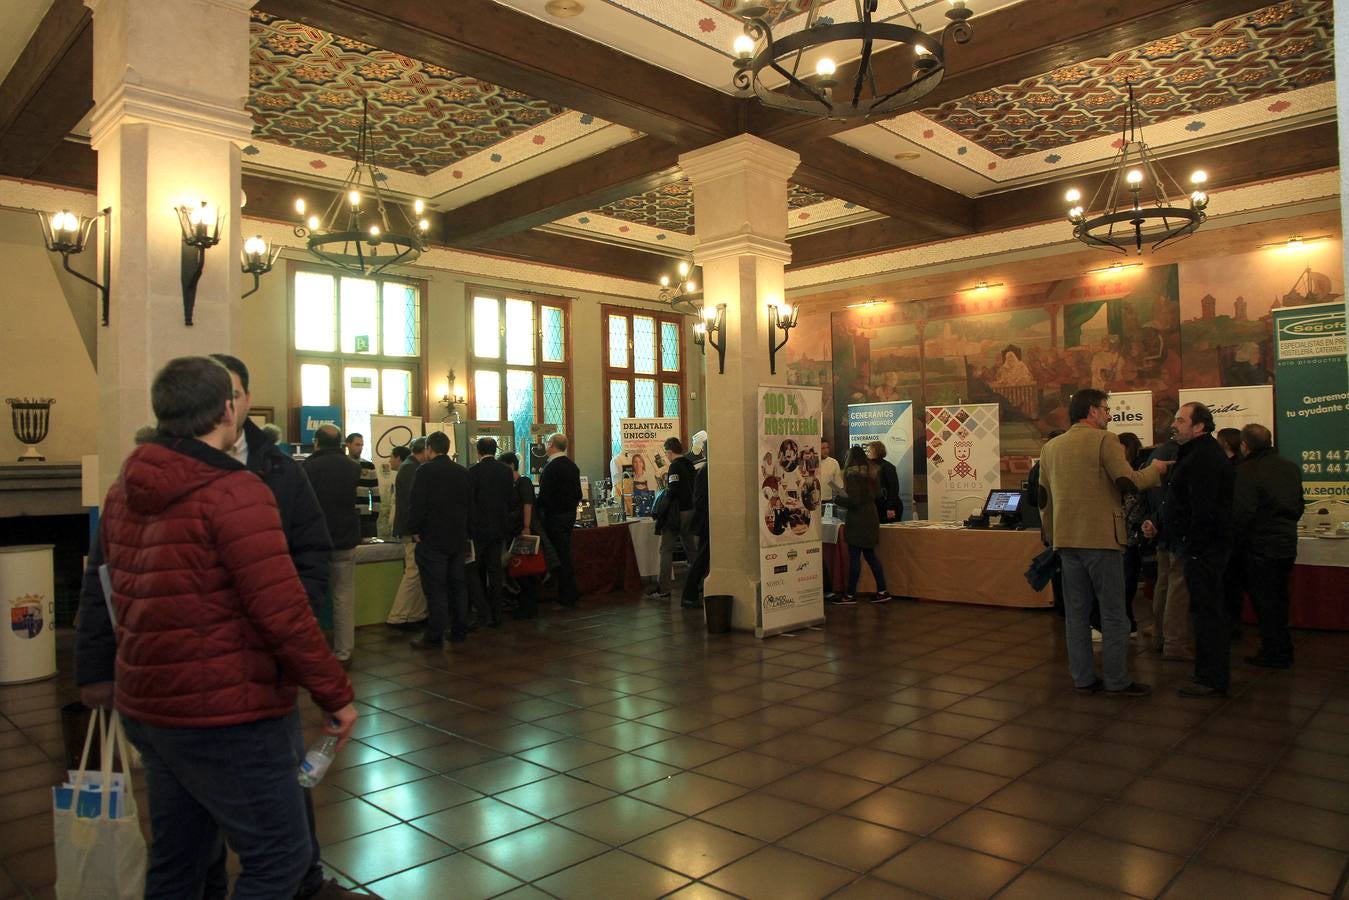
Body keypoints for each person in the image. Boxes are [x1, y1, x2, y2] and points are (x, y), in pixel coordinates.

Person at [75, 356, 357, 900]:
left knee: (178, 861)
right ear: (229, 410)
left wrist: (94, 670)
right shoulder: (235, 491)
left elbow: (101, 587)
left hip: (150, 703)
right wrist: (334, 694)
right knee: (279, 860)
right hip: (229, 708)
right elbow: (282, 611)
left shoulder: (121, 490)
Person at [208, 354, 338, 899]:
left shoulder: (279, 470)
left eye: (230, 394)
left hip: (262, 663)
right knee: (189, 829)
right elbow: (110, 572)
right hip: (180, 679)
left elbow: (310, 554)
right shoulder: (159, 469)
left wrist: (289, 627)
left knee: (284, 795)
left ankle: (305, 879)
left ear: (242, 398)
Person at [1038, 389, 1166, 696]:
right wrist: (1155, 470)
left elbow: (1044, 499)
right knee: (1113, 614)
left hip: (1067, 542)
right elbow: (1127, 481)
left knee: (1077, 615)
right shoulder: (1105, 440)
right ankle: (1117, 680)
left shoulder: (1051, 447)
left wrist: (1055, 536)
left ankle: (1082, 678)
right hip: (1102, 541)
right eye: (1106, 409)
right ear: (1092, 411)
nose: (1109, 415)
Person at [1160, 402, 1236, 698]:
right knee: (1203, 612)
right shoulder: (1197, 454)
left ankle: (1211, 677)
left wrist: (1192, 544)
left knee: (1208, 613)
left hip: (1204, 549)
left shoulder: (1203, 458)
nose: (1174, 425)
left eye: (1180, 420)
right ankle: (1208, 671)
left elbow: (1203, 509)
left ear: (1199, 426)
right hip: (1201, 547)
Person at [1232, 423, 1302, 669]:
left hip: (1259, 545)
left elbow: (1242, 513)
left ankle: (1275, 651)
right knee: (1280, 597)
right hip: (1286, 542)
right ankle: (1282, 647)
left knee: (1265, 601)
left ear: (1245, 445)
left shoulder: (1247, 471)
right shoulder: (1290, 468)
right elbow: (1297, 507)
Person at [408, 430, 473, 648]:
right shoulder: (463, 472)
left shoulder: (424, 471)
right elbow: (469, 505)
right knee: (458, 585)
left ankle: (435, 634)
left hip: (433, 538)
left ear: (429, 448)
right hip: (457, 537)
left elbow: (417, 504)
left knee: (435, 588)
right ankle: (459, 630)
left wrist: (414, 530)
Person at [303, 424, 362, 666]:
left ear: (317, 442)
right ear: (341, 443)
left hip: (315, 540)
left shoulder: (308, 467)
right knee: (343, 596)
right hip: (346, 538)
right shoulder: (353, 467)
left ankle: (310, 650)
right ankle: (344, 651)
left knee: (311, 596)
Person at [1140, 436, 1187, 657]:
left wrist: (1152, 520)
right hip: (1176, 529)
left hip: (1159, 527)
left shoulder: (1156, 455)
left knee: (1163, 582)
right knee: (1177, 586)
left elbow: (1149, 493)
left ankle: (1159, 635)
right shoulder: (1180, 456)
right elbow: (1173, 496)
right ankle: (1174, 642)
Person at [834, 446, 892, 605]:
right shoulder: (873, 472)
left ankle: (850, 595)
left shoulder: (851, 474)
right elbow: (877, 495)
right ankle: (882, 590)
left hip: (858, 519)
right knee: (870, 555)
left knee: (854, 557)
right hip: (871, 516)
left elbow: (854, 500)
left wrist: (838, 498)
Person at [468, 436, 514, 628]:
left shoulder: (473, 472)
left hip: (478, 530)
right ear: (495, 450)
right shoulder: (505, 471)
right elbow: (509, 499)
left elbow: (469, 502)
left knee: (476, 571)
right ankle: (497, 615)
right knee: (495, 572)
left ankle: (481, 612)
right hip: (499, 528)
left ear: (478, 452)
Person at [386, 437, 429, 629]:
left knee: (416, 571)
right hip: (412, 530)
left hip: (409, 528)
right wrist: (416, 529)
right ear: (425, 450)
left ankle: (416, 614)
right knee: (413, 571)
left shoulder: (408, 466)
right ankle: (398, 616)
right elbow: (414, 503)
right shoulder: (412, 468)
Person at [537, 432, 582, 608]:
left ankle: (567, 595)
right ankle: (569, 593)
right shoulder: (572, 466)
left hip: (554, 517)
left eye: (547, 442)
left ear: (551, 445)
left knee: (559, 556)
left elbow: (545, 496)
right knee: (565, 553)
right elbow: (578, 494)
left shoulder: (550, 468)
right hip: (569, 516)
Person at [652, 436, 697, 602]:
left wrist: (662, 506)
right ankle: (697, 585)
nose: (666, 455)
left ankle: (663, 588)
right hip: (691, 511)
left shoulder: (675, 467)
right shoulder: (689, 465)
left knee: (665, 550)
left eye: (666, 452)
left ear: (670, 451)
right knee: (691, 549)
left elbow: (673, 491)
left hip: (676, 514)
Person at [500, 451, 541, 619]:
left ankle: (528, 606)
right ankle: (525, 604)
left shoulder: (523, 482)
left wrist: (526, 526)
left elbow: (527, 505)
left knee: (526, 569)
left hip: (522, 531)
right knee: (520, 568)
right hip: (515, 530)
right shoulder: (512, 483)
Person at [681, 436, 711, 610]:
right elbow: (700, 500)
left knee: (702, 558)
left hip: (705, 520)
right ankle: (689, 594)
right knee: (701, 559)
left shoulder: (706, 469)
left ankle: (693, 592)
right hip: (706, 521)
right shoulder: (706, 471)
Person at [346, 432, 379, 539]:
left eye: (361, 445)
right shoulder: (342, 464)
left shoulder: (368, 466)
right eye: (357, 444)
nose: (360, 448)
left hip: (366, 516)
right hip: (347, 515)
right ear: (348, 444)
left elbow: (375, 492)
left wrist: (374, 514)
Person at [867, 440, 902, 523]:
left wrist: (890, 507)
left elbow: (893, 488)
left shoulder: (888, 467)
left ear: (877, 451)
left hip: (887, 506)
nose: (867, 453)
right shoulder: (866, 466)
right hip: (874, 506)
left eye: (869, 451)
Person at [817, 438, 844, 504]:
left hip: (827, 502)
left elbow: (838, 485)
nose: (826, 450)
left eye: (827, 447)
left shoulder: (833, 463)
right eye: (823, 448)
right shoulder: (811, 463)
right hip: (814, 501)